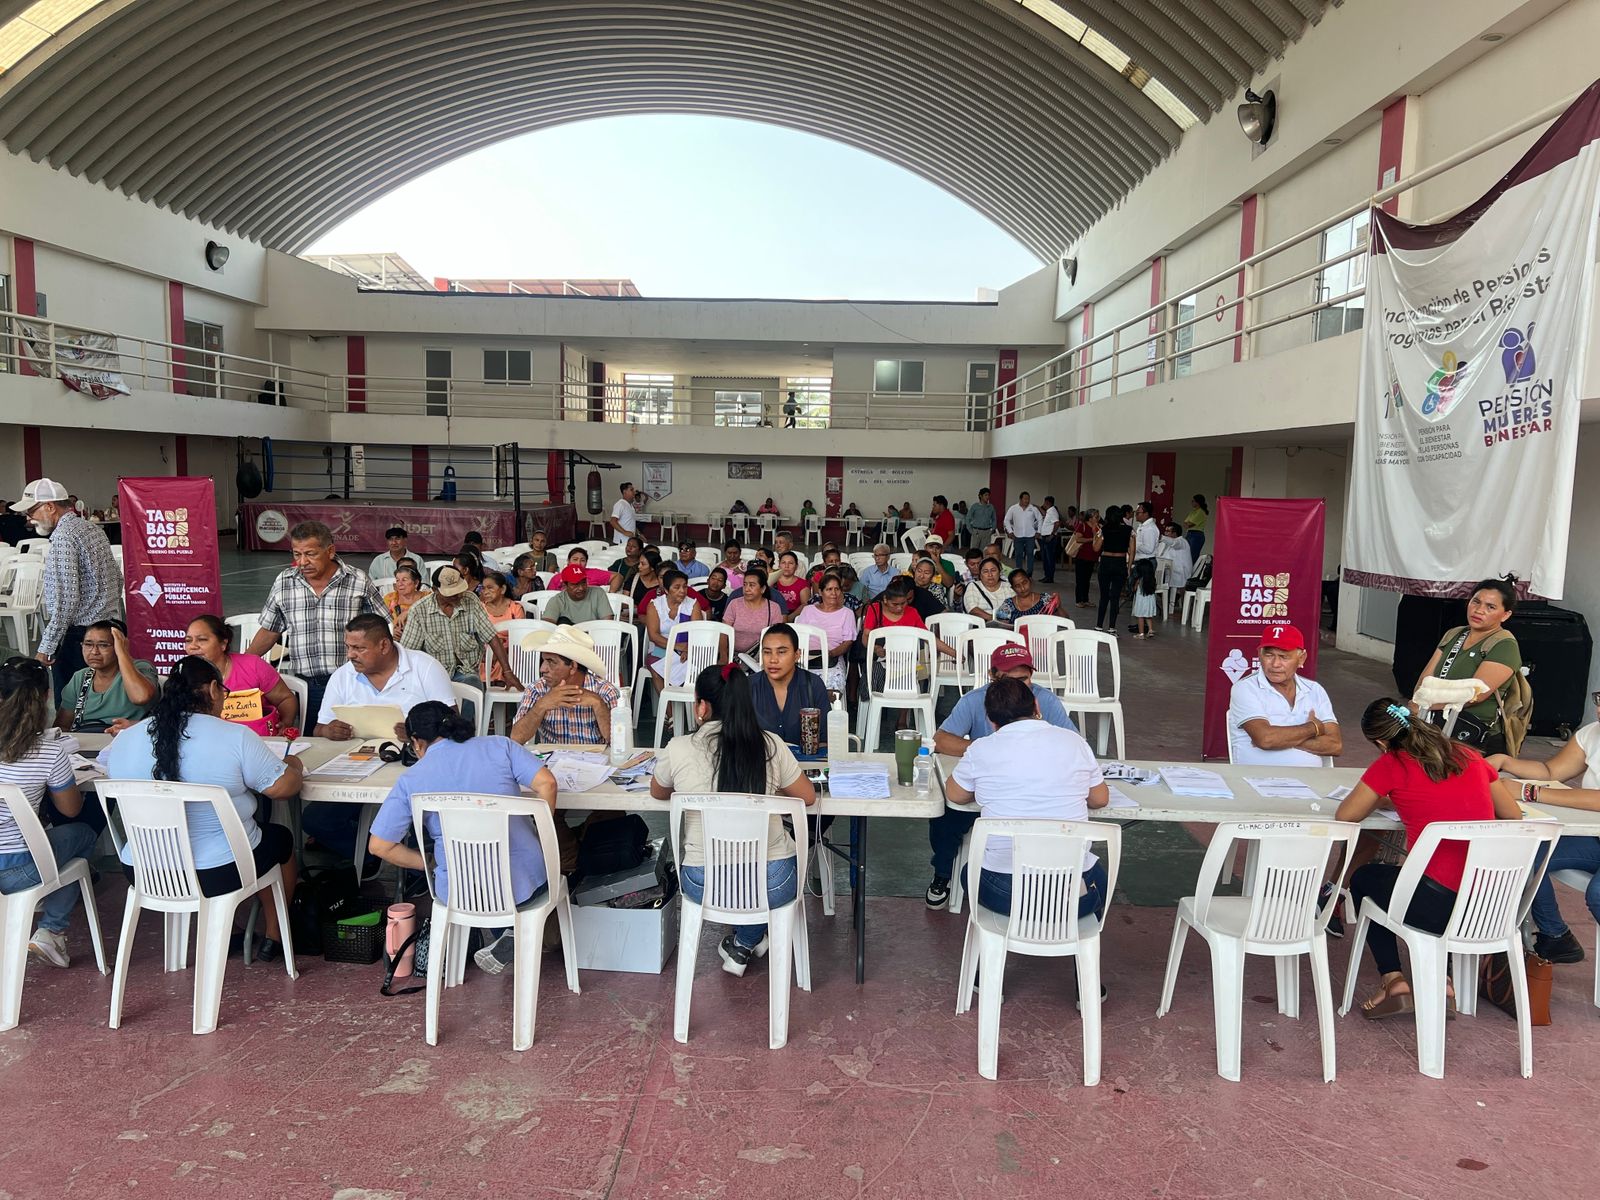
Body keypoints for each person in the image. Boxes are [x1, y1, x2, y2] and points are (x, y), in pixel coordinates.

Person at [106, 656, 303, 961]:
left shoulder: (126, 739)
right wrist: (294, 765)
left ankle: (232, 932)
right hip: (217, 872)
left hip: (143, 870)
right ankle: (274, 936)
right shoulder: (234, 736)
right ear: (213, 689)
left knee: (239, 841)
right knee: (280, 839)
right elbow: (282, 789)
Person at [1336, 699, 1523, 1019]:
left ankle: (1394, 980)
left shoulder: (1392, 764)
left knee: (1364, 877)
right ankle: (1443, 981)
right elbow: (1513, 815)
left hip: (1435, 906)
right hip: (1488, 903)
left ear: (1381, 742)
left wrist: (1382, 797)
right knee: (1437, 877)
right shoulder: (1469, 756)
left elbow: (1346, 815)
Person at [367, 701, 558, 976]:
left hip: (460, 891)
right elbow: (547, 783)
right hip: (523, 882)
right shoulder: (499, 746)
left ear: (416, 742)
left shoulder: (411, 779)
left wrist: (429, 863)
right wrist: (541, 834)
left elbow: (379, 846)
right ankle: (520, 934)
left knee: (479, 889)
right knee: (530, 885)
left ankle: (513, 934)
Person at [650, 665, 815, 976]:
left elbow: (658, 791)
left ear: (702, 707)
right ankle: (745, 941)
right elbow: (807, 796)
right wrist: (771, 787)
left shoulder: (679, 748)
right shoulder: (770, 745)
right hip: (774, 881)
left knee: (739, 882)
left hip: (702, 881)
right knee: (764, 876)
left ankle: (745, 941)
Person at [925, 644, 1078, 908]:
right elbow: (941, 739)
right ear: (992, 676)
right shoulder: (974, 701)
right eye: (1009, 679)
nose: (1017, 686)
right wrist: (988, 751)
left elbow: (1072, 742)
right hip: (990, 788)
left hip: (1030, 792)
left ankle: (1044, 876)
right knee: (945, 816)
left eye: (1024, 679)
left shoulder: (1047, 701)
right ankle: (943, 873)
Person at [945, 676, 1109, 919]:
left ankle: (1015, 929)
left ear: (991, 720)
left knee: (968, 872)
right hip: (1076, 892)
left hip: (1007, 892)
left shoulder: (981, 748)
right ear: (1036, 706)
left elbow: (955, 794)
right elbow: (1100, 799)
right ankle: (1074, 935)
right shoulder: (1075, 742)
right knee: (1096, 882)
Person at [0, 657, 99, 968]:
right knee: (83, 833)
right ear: (46, 697)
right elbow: (70, 809)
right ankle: (51, 930)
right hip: (17, 872)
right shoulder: (49, 751)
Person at [1488, 703, 1600, 963]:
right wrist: (1505, 760)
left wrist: (1528, 791)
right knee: (1523, 855)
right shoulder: (1591, 733)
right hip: (1594, 839)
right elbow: (1551, 771)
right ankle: (1556, 936)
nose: (1599, 709)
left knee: (1597, 894)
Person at [248, 520, 387, 724]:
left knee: (355, 737)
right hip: (307, 686)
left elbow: (382, 628)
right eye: (297, 554)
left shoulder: (358, 580)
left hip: (353, 682)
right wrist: (241, 663)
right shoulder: (284, 582)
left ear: (330, 551)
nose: (302, 562)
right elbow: (270, 631)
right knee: (312, 738)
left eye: (310, 554)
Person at [12, 477, 121, 696]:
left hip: (80, 637)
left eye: (31, 511)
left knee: (70, 704)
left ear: (49, 507)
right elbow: (118, 580)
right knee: (101, 700)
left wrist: (46, 647)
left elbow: (66, 601)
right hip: (109, 630)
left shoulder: (63, 537)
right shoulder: (91, 529)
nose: (29, 518)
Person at [1413, 576, 1523, 756]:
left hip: (1473, 732)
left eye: (1490, 607)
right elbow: (1425, 679)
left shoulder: (1504, 645)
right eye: (1476, 602)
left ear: (1505, 615)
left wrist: (1426, 705)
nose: (1479, 610)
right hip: (1435, 724)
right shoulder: (1454, 634)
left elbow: (1475, 694)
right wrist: (1418, 702)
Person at [314, 614, 457, 741]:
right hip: (354, 757)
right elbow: (319, 729)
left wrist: (418, 734)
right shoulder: (342, 675)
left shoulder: (426, 667)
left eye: (359, 648)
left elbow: (454, 724)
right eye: (348, 647)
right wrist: (329, 731)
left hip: (414, 756)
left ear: (384, 646)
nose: (350, 655)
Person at [1228, 624, 1343, 764]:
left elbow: (1335, 745)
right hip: (1258, 775)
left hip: (1310, 775)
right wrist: (1313, 728)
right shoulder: (1245, 688)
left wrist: (1281, 740)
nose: (1275, 664)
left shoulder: (1315, 690)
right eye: (1269, 655)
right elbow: (1265, 739)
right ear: (1259, 654)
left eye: (1284, 657)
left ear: (1301, 658)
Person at [400, 567, 522, 693]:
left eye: (459, 590)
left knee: (472, 683)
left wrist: (508, 672)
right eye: (451, 593)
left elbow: (491, 636)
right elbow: (408, 652)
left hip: (466, 671)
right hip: (432, 675)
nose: (457, 596)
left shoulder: (470, 600)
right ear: (435, 590)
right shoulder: (419, 611)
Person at [183, 615, 299, 737]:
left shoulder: (253, 666)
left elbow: (285, 699)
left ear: (223, 644)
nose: (192, 646)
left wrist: (286, 723)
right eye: (188, 640)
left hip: (259, 740)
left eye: (202, 639)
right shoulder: (184, 675)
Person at [510, 628, 619, 746]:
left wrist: (598, 704)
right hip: (552, 757)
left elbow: (619, 743)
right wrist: (541, 706)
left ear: (572, 667)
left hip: (595, 757)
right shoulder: (536, 690)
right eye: (543, 660)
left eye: (551, 662)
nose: (542, 669)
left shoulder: (606, 691)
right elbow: (516, 739)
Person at [55, 619, 157, 734]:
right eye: (88, 644)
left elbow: (140, 697)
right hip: (88, 741)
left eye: (103, 645)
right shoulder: (81, 677)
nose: (94, 652)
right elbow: (62, 726)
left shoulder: (140, 667)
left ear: (120, 646)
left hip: (126, 740)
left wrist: (122, 652)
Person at [749, 624, 834, 748]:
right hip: (760, 759)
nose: (773, 660)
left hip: (805, 760)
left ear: (797, 655)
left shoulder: (813, 685)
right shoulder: (748, 687)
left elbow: (825, 740)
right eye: (767, 652)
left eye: (781, 652)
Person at [795, 576, 857, 691]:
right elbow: (797, 635)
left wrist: (831, 654)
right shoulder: (808, 610)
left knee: (832, 683)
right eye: (829, 589)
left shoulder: (847, 613)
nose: (834, 593)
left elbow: (848, 642)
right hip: (804, 657)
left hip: (832, 658)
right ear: (820, 592)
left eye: (837, 589)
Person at [646, 569, 704, 689]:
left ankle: (684, 700)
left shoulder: (692, 604)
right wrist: (678, 646)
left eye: (685, 586)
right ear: (666, 590)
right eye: (677, 587)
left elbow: (697, 633)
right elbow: (653, 636)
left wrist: (688, 649)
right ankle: (666, 702)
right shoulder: (655, 605)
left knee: (692, 669)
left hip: (689, 649)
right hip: (661, 649)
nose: (682, 591)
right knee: (656, 669)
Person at [1093, 504, 1133, 635]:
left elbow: (1096, 548)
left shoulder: (1104, 529)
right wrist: (1129, 567)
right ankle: (1112, 628)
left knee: (1104, 596)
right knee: (1115, 597)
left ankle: (1099, 626)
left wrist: (1095, 534)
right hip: (1120, 562)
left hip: (1106, 562)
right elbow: (1132, 551)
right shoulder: (1129, 530)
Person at [727, 570, 786, 658]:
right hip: (733, 655)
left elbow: (777, 636)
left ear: (763, 589)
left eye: (752, 585)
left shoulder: (774, 608)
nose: (747, 589)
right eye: (745, 584)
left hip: (760, 657)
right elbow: (724, 632)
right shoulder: (734, 604)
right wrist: (724, 656)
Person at [478, 571, 520, 683]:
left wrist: (500, 651)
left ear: (502, 589)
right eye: (483, 588)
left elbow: (520, 638)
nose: (485, 592)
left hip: (509, 651)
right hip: (485, 651)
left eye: (490, 588)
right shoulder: (480, 608)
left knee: (504, 661)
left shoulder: (515, 608)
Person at [543, 563, 613, 626]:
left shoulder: (598, 593)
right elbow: (547, 628)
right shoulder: (556, 601)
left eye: (583, 582)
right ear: (565, 585)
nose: (581, 588)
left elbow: (607, 625)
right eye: (575, 584)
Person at [1156, 521, 1194, 614]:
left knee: (1177, 585)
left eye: (1168, 531)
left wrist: (1161, 537)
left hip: (1180, 572)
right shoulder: (1165, 543)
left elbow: (1174, 543)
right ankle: (1168, 601)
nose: (1165, 533)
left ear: (1175, 533)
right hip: (1168, 571)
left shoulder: (1181, 542)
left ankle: (1182, 606)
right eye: (1165, 531)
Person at [1003, 491, 1042, 579]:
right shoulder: (1013, 508)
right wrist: (1010, 531)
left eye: (1028, 499)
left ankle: (1029, 573)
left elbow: (1040, 519)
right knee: (1018, 554)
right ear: (1020, 499)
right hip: (1017, 536)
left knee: (1030, 554)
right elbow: (1006, 520)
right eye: (1025, 499)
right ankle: (1019, 572)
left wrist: (1038, 531)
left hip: (1030, 536)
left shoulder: (1033, 508)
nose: (1027, 501)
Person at [963, 556, 1014, 622]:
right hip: (981, 625)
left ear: (999, 572)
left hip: (1008, 624)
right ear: (980, 575)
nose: (990, 575)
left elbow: (1017, 606)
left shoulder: (1008, 587)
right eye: (985, 571)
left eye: (993, 570)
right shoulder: (973, 586)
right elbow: (972, 609)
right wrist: (994, 619)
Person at [385, 563, 430, 633]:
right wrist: (392, 631)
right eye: (397, 580)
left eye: (404, 580)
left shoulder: (427, 597)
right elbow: (382, 622)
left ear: (416, 583)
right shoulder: (390, 598)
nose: (400, 584)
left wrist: (409, 612)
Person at [1071, 509, 1100, 610]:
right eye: (1096, 516)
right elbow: (1078, 539)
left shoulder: (1098, 527)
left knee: (1087, 579)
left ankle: (1085, 599)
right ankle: (1079, 600)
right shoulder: (1082, 526)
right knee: (1080, 579)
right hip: (1082, 556)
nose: (1098, 518)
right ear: (1090, 518)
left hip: (1092, 557)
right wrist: (1091, 539)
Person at [1038, 495, 1061, 584]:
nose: (1043, 504)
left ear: (1047, 502)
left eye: (1044, 502)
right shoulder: (1049, 511)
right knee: (1045, 558)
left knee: (1049, 558)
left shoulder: (1052, 511)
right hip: (1045, 537)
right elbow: (1044, 514)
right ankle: (1047, 576)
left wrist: (1052, 535)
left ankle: (1050, 577)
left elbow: (1057, 523)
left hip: (1049, 538)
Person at [966, 487, 997, 551]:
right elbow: (968, 518)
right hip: (976, 531)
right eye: (986, 495)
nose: (987, 497)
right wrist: (971, 531)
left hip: (987, 532)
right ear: (980, 496)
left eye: (988, 495)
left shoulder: (991, 507)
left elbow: (994, 519)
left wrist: (992, 529)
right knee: (974, 551)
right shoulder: (975, 506)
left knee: (985, 551)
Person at [609, 481, 639, 545]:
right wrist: (624, 532)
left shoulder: (631, 506)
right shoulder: (620, 504)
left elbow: (630, 522)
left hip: (629, 540)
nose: (634, 492)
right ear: (624, 492)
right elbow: (613, 521)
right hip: (621, 540)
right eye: (631, 490)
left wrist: (639, 534)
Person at [1183, 494, 1210, 559]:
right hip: (1189, 534)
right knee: (1186, 554)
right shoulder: (1193, 511)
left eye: (1193, 501)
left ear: (1198, 502)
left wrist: (1188, 524)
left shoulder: (1201, 512)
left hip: (1196, 535)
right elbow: (1185, 524)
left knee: (1192, 555)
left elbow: (1190, 524)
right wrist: (1188, 524)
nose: (1191, 502)